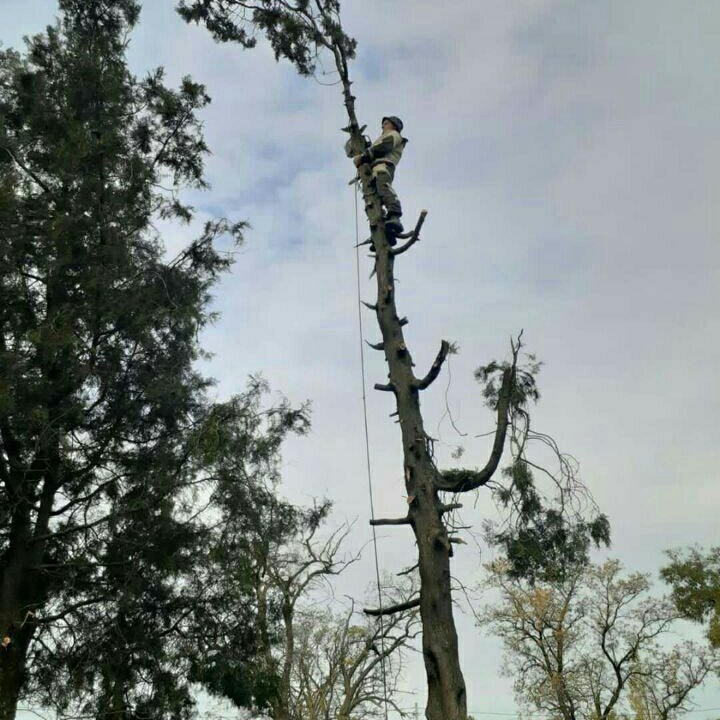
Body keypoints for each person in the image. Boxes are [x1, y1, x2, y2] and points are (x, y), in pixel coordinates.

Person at [352, 116, 407, 236]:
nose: (383, 126)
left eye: (386, 123)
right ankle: (383, 232)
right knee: (374, 199)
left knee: (383, 187)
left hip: (383, 167)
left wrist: (364, 156)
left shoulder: (394, 135)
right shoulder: (385, 136)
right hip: (376, 169)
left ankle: (394, 214)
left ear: (394, 125)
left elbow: (383, 147)